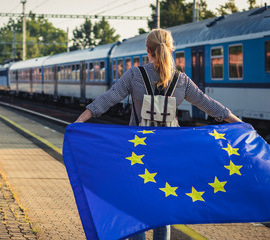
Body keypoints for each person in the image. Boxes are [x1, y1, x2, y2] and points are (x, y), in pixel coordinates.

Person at [75, 28, 242, 240]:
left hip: (137, 153)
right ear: (171, 49)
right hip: (169, 155)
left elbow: (108, 98)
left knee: (137, 209)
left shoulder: (135, 75)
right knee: (164, 211)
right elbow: (209, 105)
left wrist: (80, 120)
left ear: (147, 50)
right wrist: (240, 124)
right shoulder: (181, 80)